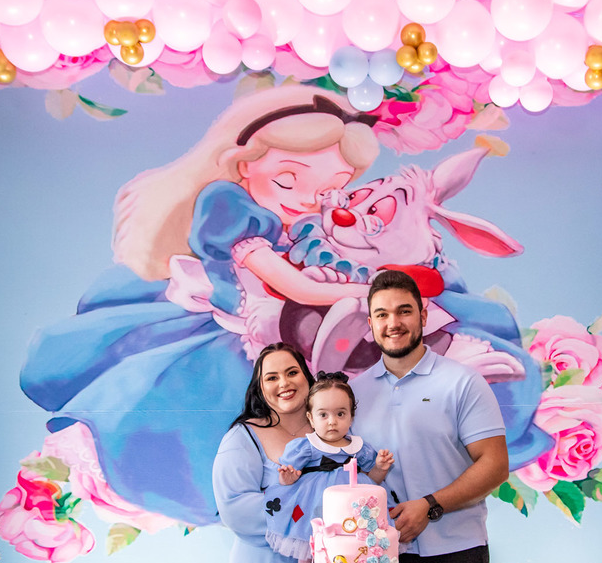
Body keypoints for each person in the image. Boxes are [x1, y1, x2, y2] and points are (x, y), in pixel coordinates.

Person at [20, 86, 379, 527]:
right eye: (288, 179)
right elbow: (296, 287)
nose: (307, 198)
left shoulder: (295, 225)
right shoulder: (233, 212)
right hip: (236, 329)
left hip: (269, 333)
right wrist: (369, 292)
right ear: (244, 163)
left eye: (331, 189)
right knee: (192, 417)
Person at [350, 270, 509, 563]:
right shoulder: (352, 393)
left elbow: (494, 464)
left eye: (404, 311)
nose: (393, 322)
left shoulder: (462, 383)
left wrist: (430, 505)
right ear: (370, 323)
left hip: (453, 556)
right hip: (378, 561)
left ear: (423, 316)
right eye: (382, 314)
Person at [212, 343, 316, 563]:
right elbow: (235, 507)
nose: (284, 383)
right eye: (271, 377)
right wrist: (309, 516)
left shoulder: (333, 432)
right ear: (260, 387)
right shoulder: (244, 435)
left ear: (307, 376)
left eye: (292, 372)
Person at [263, 373, 393, 563]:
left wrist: (380, 467)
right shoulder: (306, 447)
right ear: (310, 417)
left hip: (352, 512)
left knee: (353, 555)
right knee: (309, 559)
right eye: (323, 415)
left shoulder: (359, 448)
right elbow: (287, 479)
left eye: (340, 414)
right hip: (314, 507)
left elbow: (372, 482)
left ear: (351, 416)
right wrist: (288, 478)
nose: (332, 421)